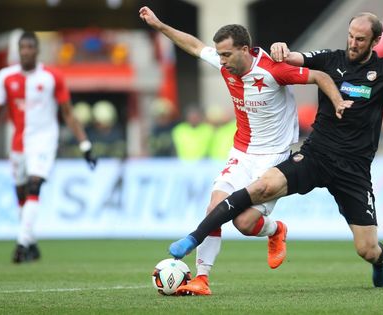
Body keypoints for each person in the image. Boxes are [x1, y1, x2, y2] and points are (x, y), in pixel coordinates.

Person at [168, 12, 383, 289]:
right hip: (316, 154)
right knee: (259, 187)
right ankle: (192, 240)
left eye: (361, 39)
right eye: (350, 36)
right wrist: (281, 49)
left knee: (366, 249)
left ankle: (380, 260)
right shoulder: (329, 59)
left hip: (354, 170)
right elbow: (291, 61)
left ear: (375, 41)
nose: (353, 43)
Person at [139, 6, 352, 296]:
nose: (222, 61)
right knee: (214, 208)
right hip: (242, 153)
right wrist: (160, 24)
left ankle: (276, 230)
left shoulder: (274, 69)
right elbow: (192, 44)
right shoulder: (226, 64)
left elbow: (319, 77)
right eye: (220, 55)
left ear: (245, 49)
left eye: (227, 54)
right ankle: (202, 278)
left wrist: (338, 102)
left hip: (274, 157)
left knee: (244, 222)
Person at [0, 31, 97, 263]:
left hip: (44, 140)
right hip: (18, 142)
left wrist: (85, 144)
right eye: (23, 47)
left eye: (30, 47)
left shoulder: (52, 77)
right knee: (21, 194)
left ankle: (21, 244)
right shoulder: (5, 77)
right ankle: (31, 243)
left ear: (37, 50)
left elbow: (68, 114)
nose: (26, 51)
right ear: (18, 50)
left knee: (34, 185)